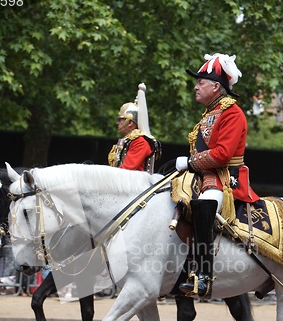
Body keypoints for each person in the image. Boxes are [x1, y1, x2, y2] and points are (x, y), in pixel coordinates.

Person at [175, 53, 259, 299]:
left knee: (203, 205)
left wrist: (189, 162)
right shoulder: (211, 112)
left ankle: (203, 276)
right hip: (205, 175)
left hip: (225, 179)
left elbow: (222, 155)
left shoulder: (232, 113)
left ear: (216, 86)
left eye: (201, 82)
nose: (195, 86)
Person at [108, 83, 161, 173]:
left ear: (130, 123)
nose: (117, 123)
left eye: (121, 119)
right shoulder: (128, 140)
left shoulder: (140, 142)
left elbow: (126, 170)